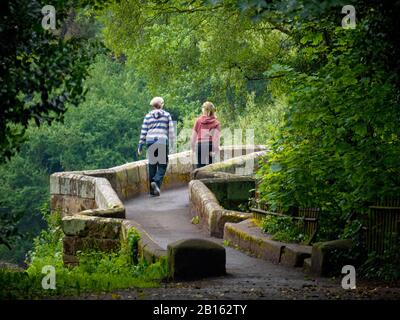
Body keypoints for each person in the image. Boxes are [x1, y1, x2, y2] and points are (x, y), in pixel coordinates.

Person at [137, 97, 175, 196]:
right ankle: (156, 181)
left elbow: (144, 131)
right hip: (162, 141)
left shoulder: (147, 116)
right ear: (161, 105)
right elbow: (171, 130)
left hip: (150, 141)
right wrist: (172, 143)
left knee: (152, 166)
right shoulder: (166, 115)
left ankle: (152, 192)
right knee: (162, 164)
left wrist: (140, 144)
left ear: (153, 106)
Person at [191, 101, 221, 169]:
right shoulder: (216, 123)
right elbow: (216, 140)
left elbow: (193, 137)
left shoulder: (198, 121)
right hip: (210, 146)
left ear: (203, 110)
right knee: (211, 169)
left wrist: (193, 149)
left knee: (200, 169)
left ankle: (199, 179)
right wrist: (216, 150)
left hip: (200, 145)